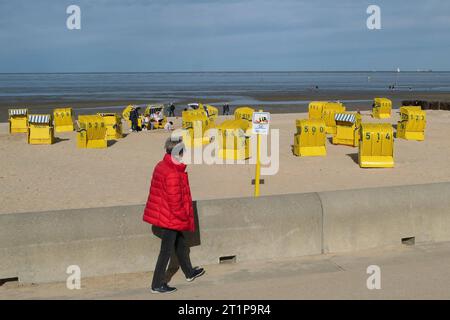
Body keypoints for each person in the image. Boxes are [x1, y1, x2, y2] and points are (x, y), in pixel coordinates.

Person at [143, 137, 205, 294]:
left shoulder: (161, 165)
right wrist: (184, 218)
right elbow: (175, 202)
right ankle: (157, 284)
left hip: (163, 214)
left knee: (181, 244)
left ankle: (189, 273)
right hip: (169, 217)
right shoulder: (173, 173)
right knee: (166, 251)